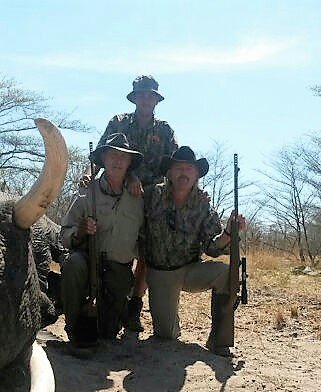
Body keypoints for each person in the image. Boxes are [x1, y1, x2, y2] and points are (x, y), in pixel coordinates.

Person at [80, 75, 178, 332]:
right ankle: (108, 296)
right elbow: (102, 152)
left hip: (152, 199)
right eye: (142, 94)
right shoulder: (119, 122)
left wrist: (192, 191)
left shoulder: (165, 130)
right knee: (115, 246)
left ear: (157, 99)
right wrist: (89, 174)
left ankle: (134, 305)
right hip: (118, 193)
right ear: (134, 98)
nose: (146, 99)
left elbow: (175, 166)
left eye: (151, 95)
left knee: (146, 252)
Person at [142, 146, 246, 357]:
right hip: (161, 273)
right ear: (169, 173)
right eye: (178, 168)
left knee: (225, 272)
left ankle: (219, 338)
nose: (183, 173)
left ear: (196, 175)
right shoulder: (151, 195)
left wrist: (229, 232)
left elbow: (212, 248)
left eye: (189, 169)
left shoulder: (203, 204)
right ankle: (169, 317)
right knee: (166, 335)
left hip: (190, 270)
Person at [60, 133, 144, 356]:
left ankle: (115, 316)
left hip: (118, 271)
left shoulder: (140, 197)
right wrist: (80, 231)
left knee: (108, 333)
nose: (117, 161)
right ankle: (73, 328)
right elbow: (64, 235)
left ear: (129, 163)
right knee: (73, 263)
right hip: (88, 263)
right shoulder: (86, 193)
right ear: (103, 159)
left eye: (123, 157)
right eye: (112, 155)